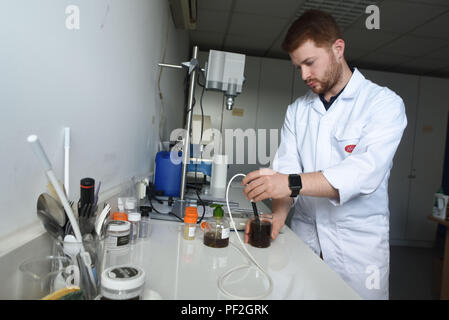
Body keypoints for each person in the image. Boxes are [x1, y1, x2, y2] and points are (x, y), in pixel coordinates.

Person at [241, 9, 407, 300]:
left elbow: (363, 173)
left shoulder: (384, 104)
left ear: (338, 49)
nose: (304, 75)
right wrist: (278, 216)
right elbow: (287, 169)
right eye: (298, 67)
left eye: (309, 63)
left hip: (357, 253)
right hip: (305, 240)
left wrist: (290, 182)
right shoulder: (298, 111)